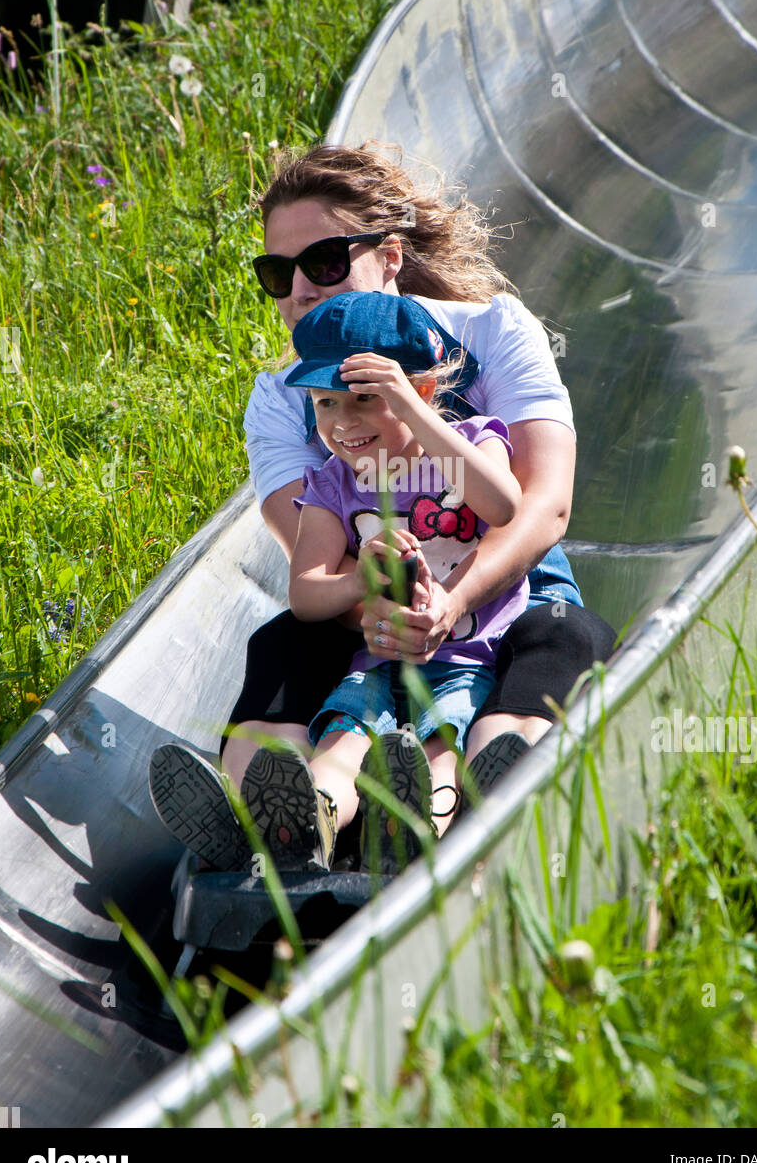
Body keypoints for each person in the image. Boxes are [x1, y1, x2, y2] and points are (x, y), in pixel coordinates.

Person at [148, 141, 617, 873]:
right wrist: (378, 604)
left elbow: (542, 507)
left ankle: (490, 788)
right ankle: (272, 817)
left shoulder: (489, 333)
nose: (301, 287)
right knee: (281, 647)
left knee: (563, 635)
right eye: (279, 273)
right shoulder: (285, 397)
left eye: (326, 261)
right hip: (362, 607)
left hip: (503, 592)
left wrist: (450, 601)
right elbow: (306, 548)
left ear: (390, 257)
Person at [237, 290, 531, 873]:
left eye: (365, 400)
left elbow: (502, 504)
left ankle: (415, 831)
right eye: (324, 405)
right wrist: (357, 582)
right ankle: (304, 823)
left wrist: (418, 413)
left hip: (467, 661)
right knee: (341, 743)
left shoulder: (471, 442)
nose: (342, 423)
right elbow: (306, 591)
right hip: (375, 661)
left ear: (420, 390)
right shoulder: (330, 485)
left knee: (440, 748)